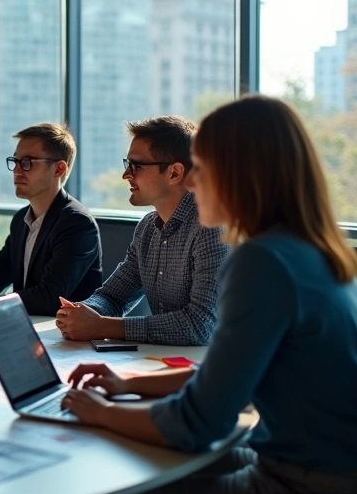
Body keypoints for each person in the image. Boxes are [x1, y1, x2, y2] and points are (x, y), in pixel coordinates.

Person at [61, 96, 357, 494]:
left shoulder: (262, 261)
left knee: (132, 489)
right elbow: (223, 381)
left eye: (202, 167)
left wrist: (102, 413)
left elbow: (197, 423)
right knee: (152, 459)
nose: (192, 181)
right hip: (351, 477)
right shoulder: (311, 250)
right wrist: (126, 385)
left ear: (241, 175)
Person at [56, 116, 230, 345]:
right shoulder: (147, 228)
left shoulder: (211, 228)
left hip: (213, 363)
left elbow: (200, 326)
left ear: (175, 173)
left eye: (136, 166)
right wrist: (80, 313)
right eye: (127, 164)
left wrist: (102, 326)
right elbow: (113, 296)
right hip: (164, 359)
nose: (126, 175)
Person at [0, 123, 102, 316]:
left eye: (27, 162)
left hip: (60, 329)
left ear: (58, 169)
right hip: (28, 323)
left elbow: (49, 297)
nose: (17, 171)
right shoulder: (21, 220)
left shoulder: (77, 223)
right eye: (15, 161)